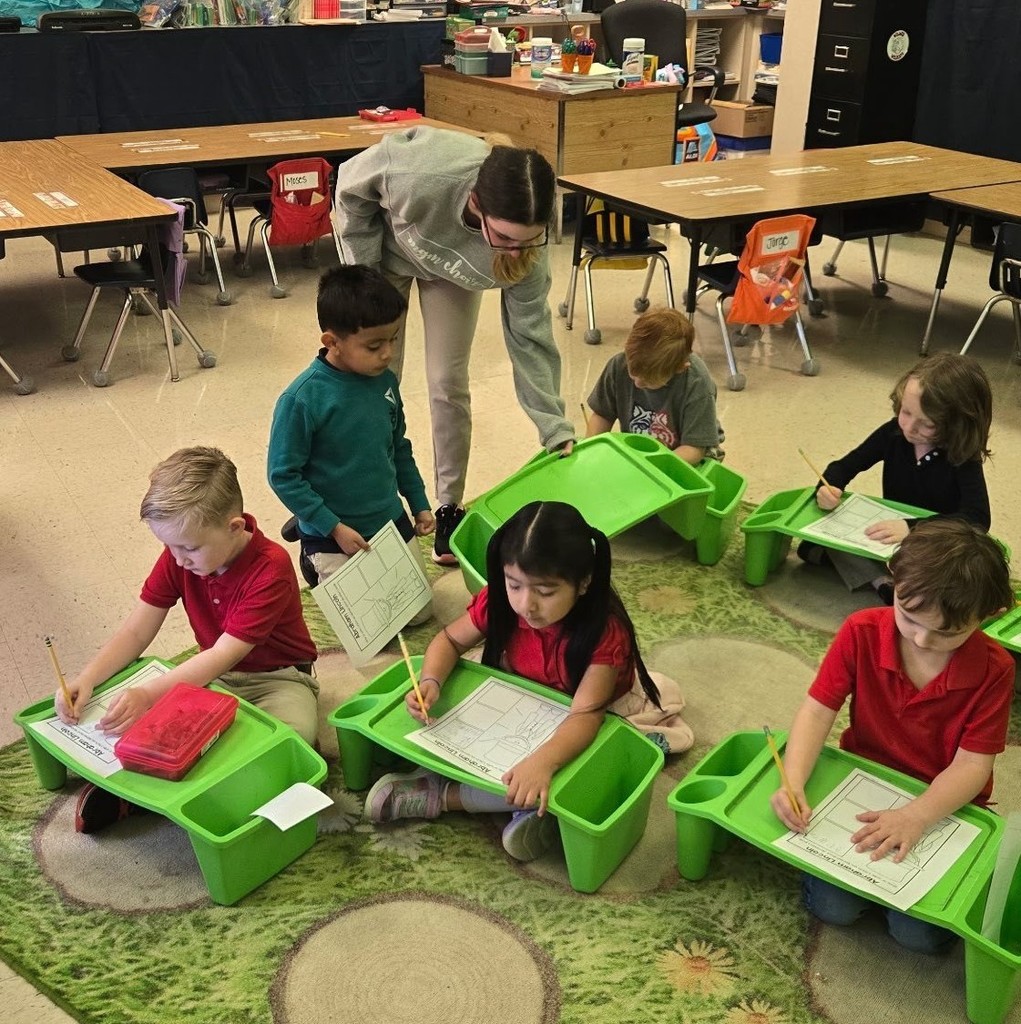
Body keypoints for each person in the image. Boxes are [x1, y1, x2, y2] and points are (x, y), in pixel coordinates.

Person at [364, 500, 693, 862]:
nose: (527, 604)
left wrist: (545, 762)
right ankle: (530, 807)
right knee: (459, 721)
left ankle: (441, 797)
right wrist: (431, 681)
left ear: (583, 583)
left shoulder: (604, 633)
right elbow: (450, 641)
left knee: (566, 772)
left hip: (585, 710)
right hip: (521, 691)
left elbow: (586, 715)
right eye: (514, 585)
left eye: (546, 592)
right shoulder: (502, 603)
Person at [332, 125, 575, 566]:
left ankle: (448, 507)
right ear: (477, 205)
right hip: (387, 257)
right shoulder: (421, 175)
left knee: (447, 382)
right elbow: (349, 185)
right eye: (505, 238)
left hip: (452, 273)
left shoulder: (524, 255)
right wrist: (362, 281)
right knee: (379, 383)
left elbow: (531, 336)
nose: (518, 252)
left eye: (529, 240)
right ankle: (378, 506)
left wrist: (553, 425)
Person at [772, 518, 1014, 954]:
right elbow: (817, 709)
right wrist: (792, 781)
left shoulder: (996, 669)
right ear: (892, 579)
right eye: (907, 616)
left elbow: (973, 766)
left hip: (941, 801)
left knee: (917, 936)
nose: (921, 638)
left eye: (947, 632)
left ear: (990, 616)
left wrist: (918, 815)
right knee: (833, 908)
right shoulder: (861, 630)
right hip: (862, 781)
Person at [55, 447, 319, 832]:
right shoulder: (181, 555)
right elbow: (136, 630)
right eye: (170, 547)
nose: (179, 559)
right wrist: (89, 676)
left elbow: (225, 653)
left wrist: (149, 694)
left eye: (190, 548)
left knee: (292, 746)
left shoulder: (271, 566)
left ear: (234, 527)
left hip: (280, 681)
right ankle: (141, 796)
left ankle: (212, 798)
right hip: (212, 679)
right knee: (160, 732)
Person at [268, 265, 434, 623]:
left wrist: (418, 503)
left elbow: (398, 446)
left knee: (416, 616)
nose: (388, 353)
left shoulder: (384, 381)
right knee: (368, 626)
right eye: (374, 345)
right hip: (336, 531)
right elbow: (283, 475)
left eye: (393, 339)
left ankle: (313, 525)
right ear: (332, 342)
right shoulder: (302, 399)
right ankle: (310, 539)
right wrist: (333, 527)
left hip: (387, 520)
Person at [799, 352, 993, 602]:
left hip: (935, 547)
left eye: (927, 424)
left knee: (965, 572)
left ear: (958, 424)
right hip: (888, 542)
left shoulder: (963, 456)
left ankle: (880, 578)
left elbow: (977, 519)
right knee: (826, 536)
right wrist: (828, 488)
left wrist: (912, 529)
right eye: (905, 412)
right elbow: (844, 466)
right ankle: (883, 582)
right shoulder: (894, 433)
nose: (910, 427)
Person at [584, 308, 724, 464]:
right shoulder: (619, 364)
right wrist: (591, 451)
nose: (637, 383)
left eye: (648, 381)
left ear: (679, 368)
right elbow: (603, 414)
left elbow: (694, 449)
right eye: (632, 373)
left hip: (692, 452)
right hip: (643, 454)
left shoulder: (697, 383)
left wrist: (650, 466)